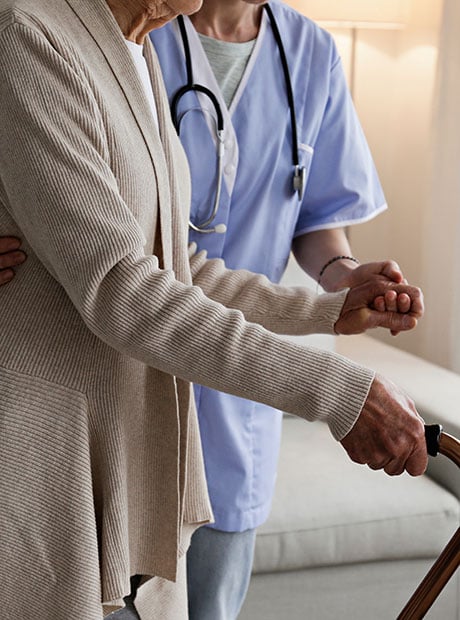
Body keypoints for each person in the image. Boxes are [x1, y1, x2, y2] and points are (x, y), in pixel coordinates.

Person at [0, 1, 426, 619]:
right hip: (53, 453)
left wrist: (324, 310)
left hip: (148, 433)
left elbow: (176, 261)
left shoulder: (137, 48)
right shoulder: (31, 32)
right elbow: (125, 286)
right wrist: (335, 390)